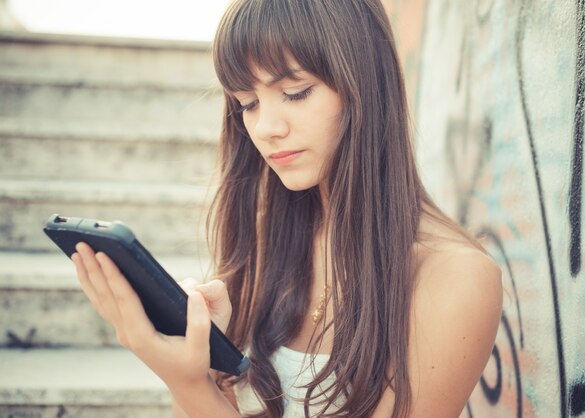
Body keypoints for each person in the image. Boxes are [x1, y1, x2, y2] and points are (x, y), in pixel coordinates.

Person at [71, 0, 503, 416]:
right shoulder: (267, 238)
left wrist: (188, 383)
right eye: (248, 103)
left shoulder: (455, 277)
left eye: (295, 93)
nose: (266, 128)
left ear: (364, 86)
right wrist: (201, 364)